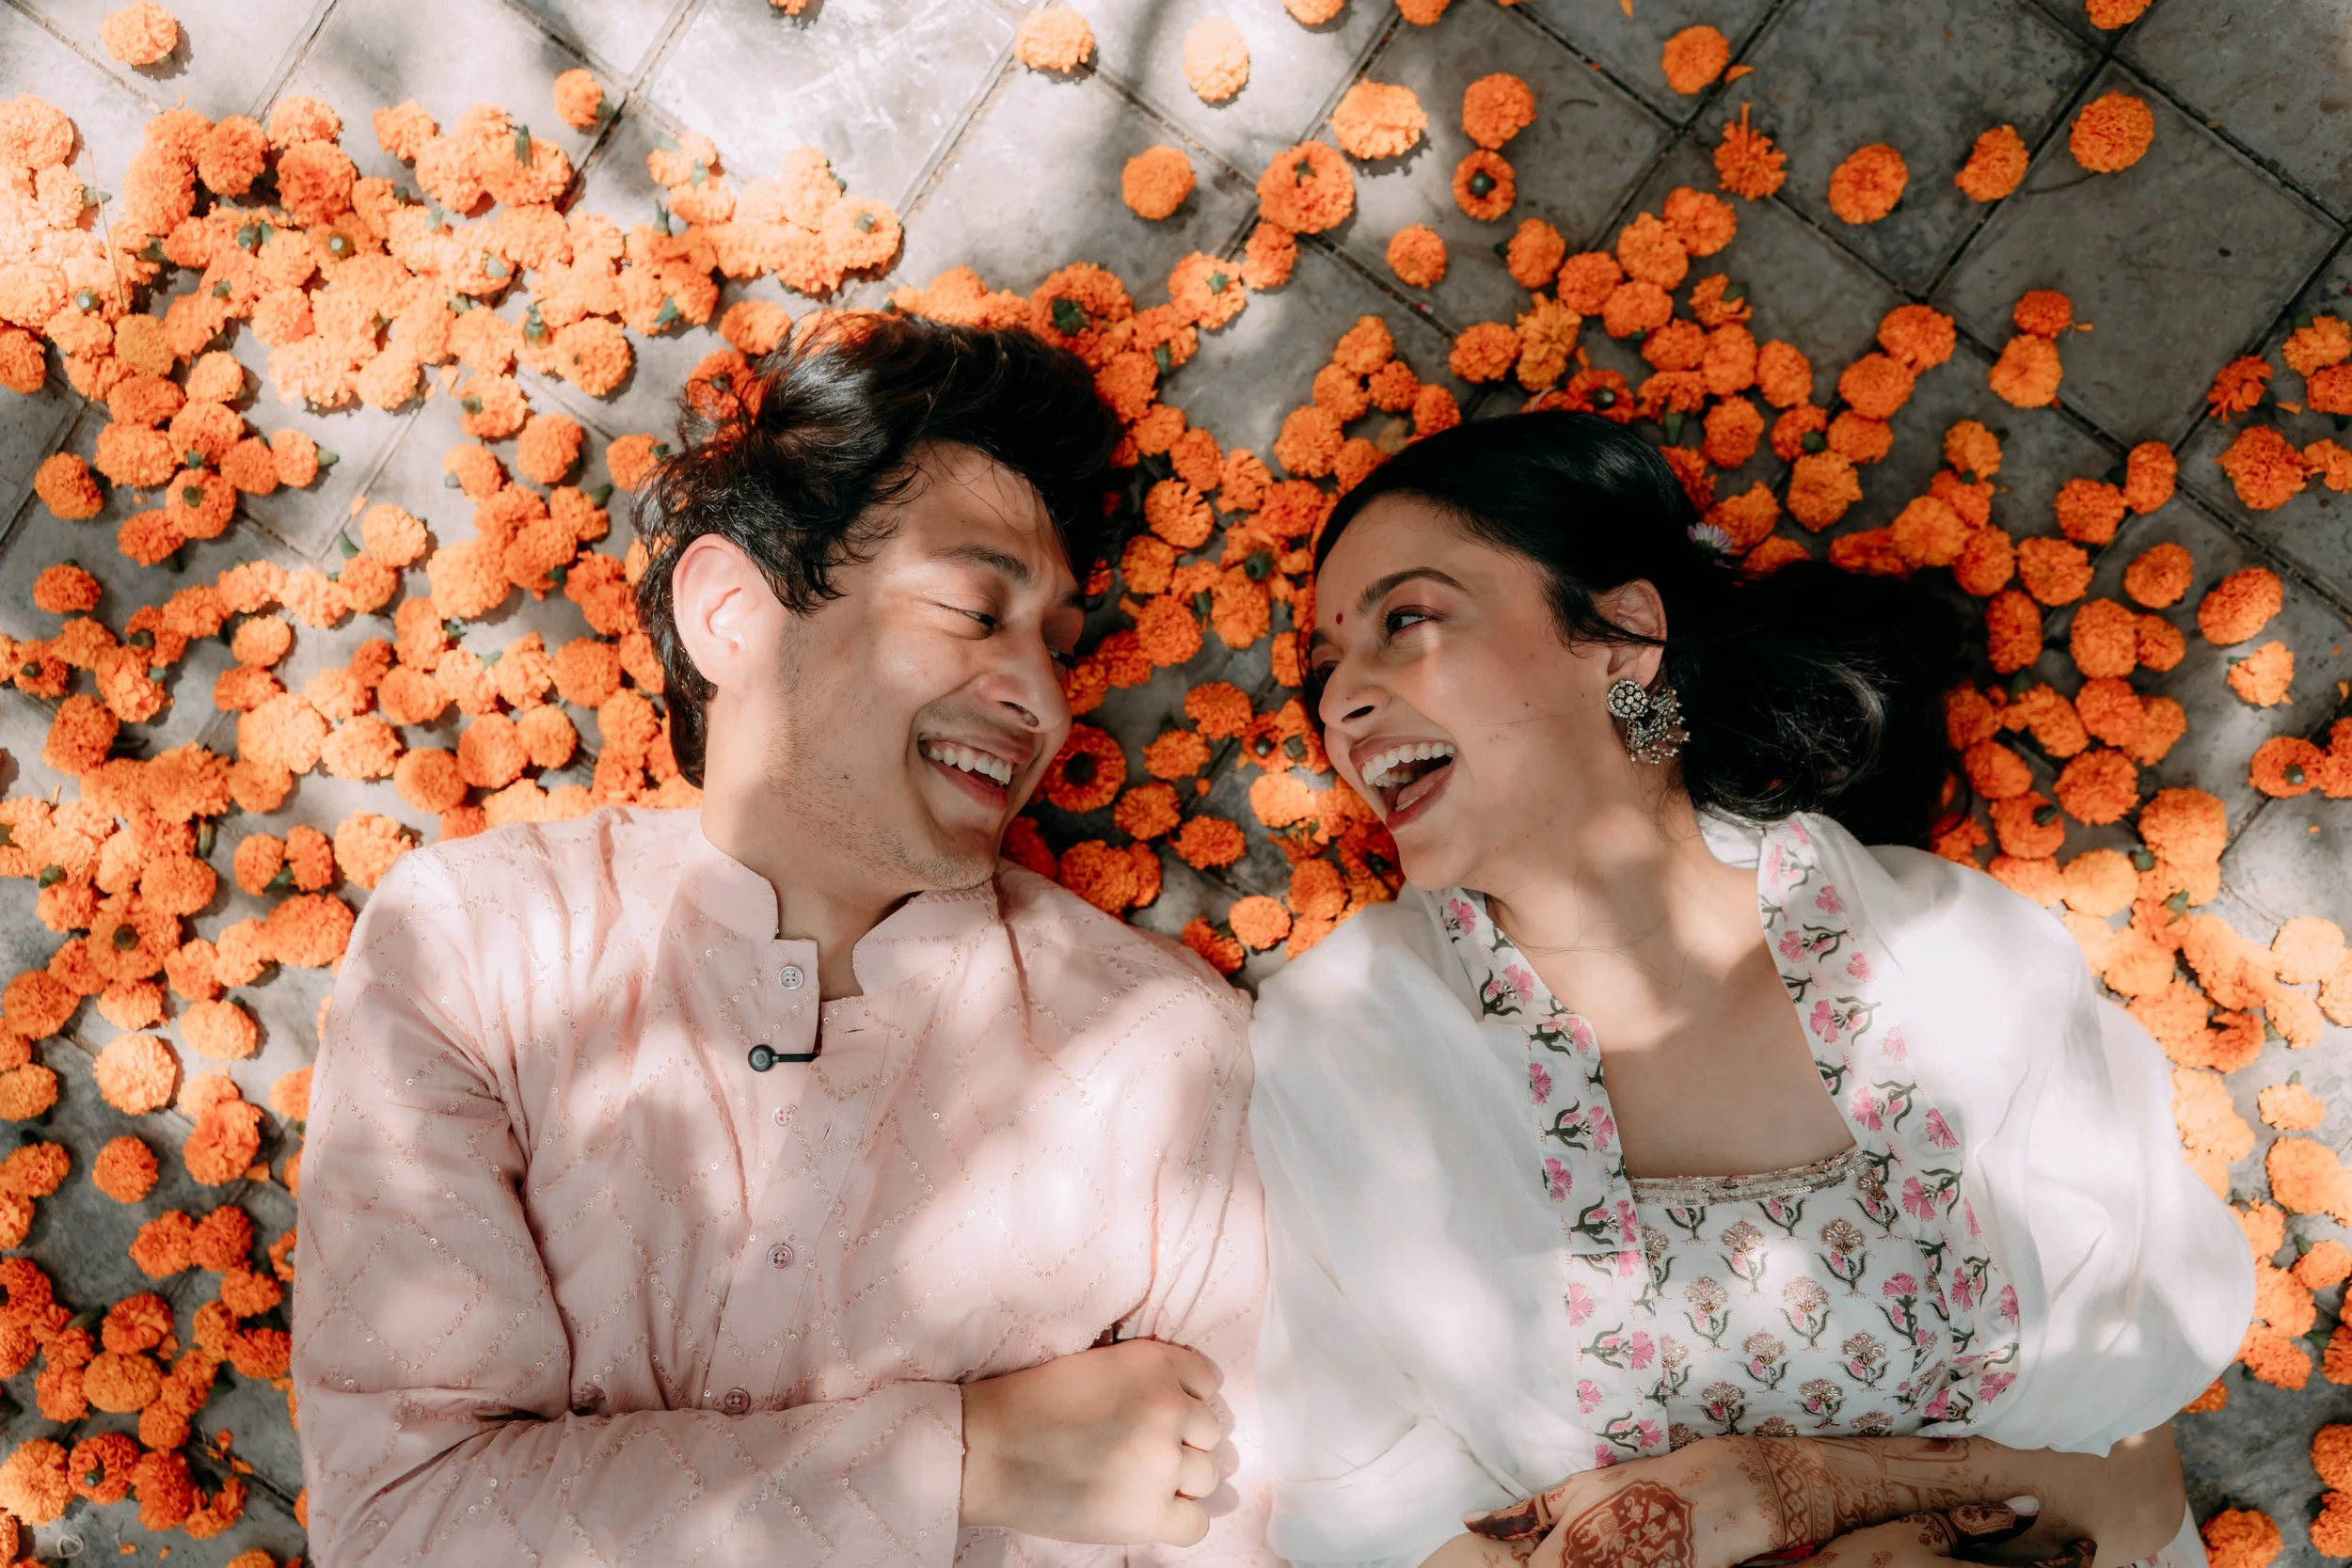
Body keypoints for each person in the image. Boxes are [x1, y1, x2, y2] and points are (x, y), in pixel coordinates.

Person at [292, 316, 1274, 1568]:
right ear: (732, 615)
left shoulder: (1160, 1052)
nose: (1041, 698)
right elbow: (401, 1525)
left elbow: (1247, 1531)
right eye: (975, 609)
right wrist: (966, 1457)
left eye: (1060, 647)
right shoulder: (478, 944)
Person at [1248, 411, 2251, 1568]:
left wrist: (1790, 1490)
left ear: (1624, 638)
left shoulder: (1950, 954)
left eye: (1405, 621)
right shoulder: (1348, 1048)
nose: (1341, 702)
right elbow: (1370, 1517)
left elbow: (2132, 1475)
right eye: (1325, 672)